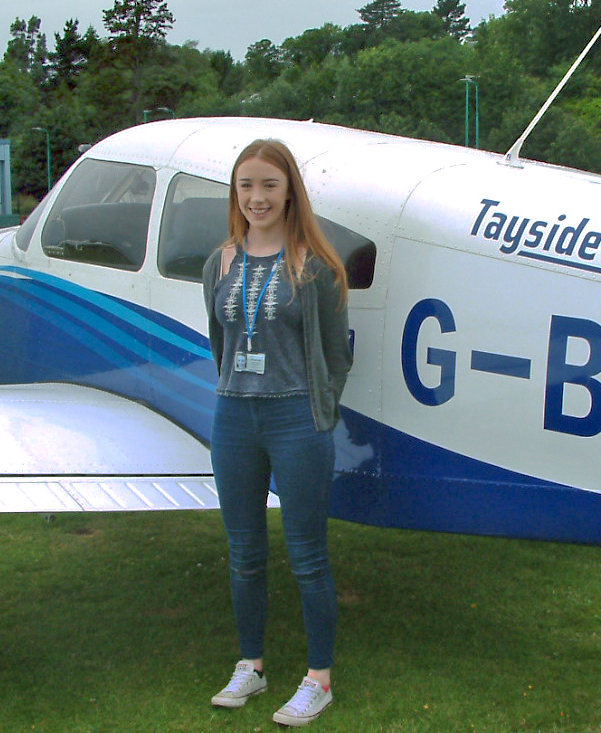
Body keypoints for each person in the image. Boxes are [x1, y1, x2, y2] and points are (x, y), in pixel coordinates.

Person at [202, 138, 352, 727]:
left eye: (269, 184)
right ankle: (251, 667)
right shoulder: (220, 262)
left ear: (290, 189)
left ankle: (319, 679)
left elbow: (336, 357)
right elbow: (221, 344)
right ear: (235, 193)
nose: (257, 197)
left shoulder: (315, 266)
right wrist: (236, 392)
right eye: (246, 186)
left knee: (307, 556)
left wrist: (316, 412)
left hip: (296, 419)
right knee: (243, 554)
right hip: (234, 415)